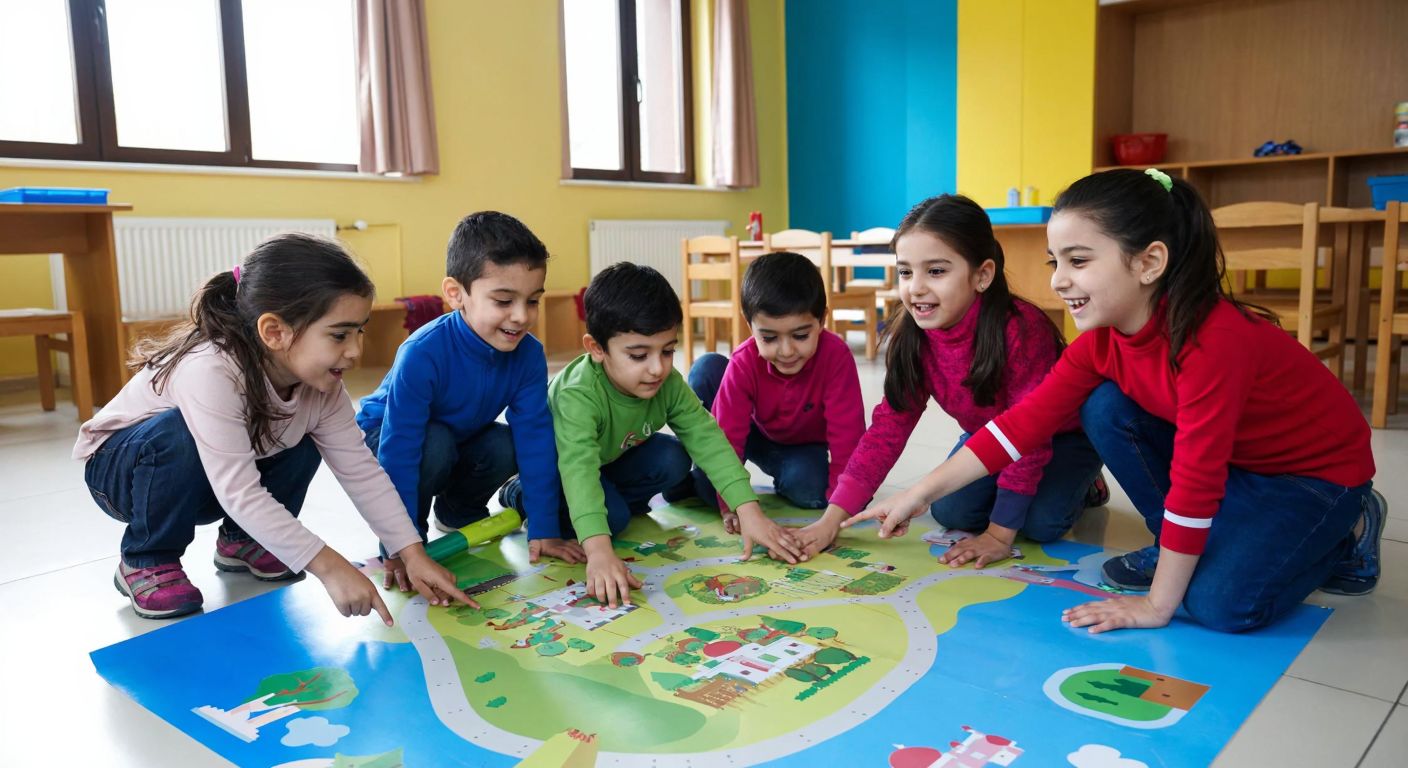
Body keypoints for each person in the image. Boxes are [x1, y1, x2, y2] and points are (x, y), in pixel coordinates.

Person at [845, 169, 1382, 634]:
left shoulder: (1213, 342)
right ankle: (1179, 542)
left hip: (1315, 478)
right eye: (1055, 260)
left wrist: (1155, 604)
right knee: (1104, 406)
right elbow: (1017, 429)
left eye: (1078, 261)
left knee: (1222, 606)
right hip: (1241, 467)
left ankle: (1350, 529)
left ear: (1148, 263)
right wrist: (915, 496)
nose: (1058, 281)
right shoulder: (1101, 342)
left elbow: (1196, 484)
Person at [76, 234, 472, 621]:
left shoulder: (322, 384)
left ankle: (242, 541)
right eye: (339, 334)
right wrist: (330, 566)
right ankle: (147, 558)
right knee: (177, 432)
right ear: (274, 332)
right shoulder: (211, 368)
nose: (355, 350)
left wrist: (412, 552)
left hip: (208, 481)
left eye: (359, 331)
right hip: (123, 474)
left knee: (301, 436)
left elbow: (361, 470)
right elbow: (240, 492)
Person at [804, 194, 1104, 564]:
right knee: (950, 512)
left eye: (936, 271)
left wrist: (998, 534)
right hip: (988, 438)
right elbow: (888, 429)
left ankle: (1088, 485)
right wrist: (833, 519)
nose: (915, 287)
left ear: (982, 275)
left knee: (1041, 523)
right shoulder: (913, 335)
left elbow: (1033, 436)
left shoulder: (1021, 329)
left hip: (1060, 438)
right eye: (905, 272)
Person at [525, 263, 804, 608]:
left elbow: (707, 437)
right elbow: (578, 470)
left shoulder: (666, 383)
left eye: (668, 351)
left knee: (672, 458)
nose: (658, 368)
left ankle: (609, 499)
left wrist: (749, 511)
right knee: (612, 520)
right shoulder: (577, 394)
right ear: (596, 348)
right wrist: (598, 551)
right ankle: (520, 494)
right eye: (639, 355)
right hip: (558, 469)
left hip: (610, 460)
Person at [358, 212, 581, 578]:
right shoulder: (422, 352)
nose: (522, 316)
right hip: (385, 439)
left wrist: (544, 529)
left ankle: (457, 510)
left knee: (506, 442)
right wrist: (401, 546)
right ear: (456, 294)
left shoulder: (527, 354)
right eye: (504, 301)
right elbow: (400, 450)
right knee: (434, 442)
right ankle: (414, 527)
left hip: (455, 438)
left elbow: (535, 439)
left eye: (532, 300)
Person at [678, 251, 864, 534]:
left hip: (799, 445)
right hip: (749, 428)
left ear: (822, 320)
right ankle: (688, 482)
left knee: (812, 491)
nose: (786, 351)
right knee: (711, 485)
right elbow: (727, 437)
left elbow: (847, 435)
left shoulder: (836, 356)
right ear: (748, 322)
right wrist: (732, 506)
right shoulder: (744, 361)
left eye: (800, 336)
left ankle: (707, 481)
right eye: (769, 337)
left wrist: (840, 509)